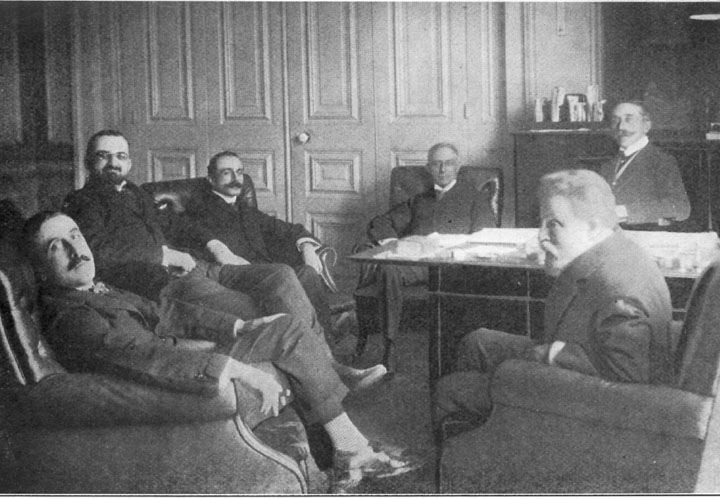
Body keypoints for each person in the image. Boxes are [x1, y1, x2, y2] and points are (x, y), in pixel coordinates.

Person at [23, 211, 420, 491]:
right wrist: (239, 369)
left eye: (75, 235)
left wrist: (237, 327)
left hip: (190, 351)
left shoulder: (96, 288)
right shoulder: (71, 316)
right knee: (288, 337)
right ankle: (350, 448)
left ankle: (343, 448)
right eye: (57, 246)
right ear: (40, 268)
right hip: (177, 375)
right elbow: (144, 357)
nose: (76, 250)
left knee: (284, 325)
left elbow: (165, 313)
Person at [62, 129, 385, 390]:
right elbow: (97, 250)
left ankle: (329, 363)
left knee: (281, 274)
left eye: (120, 156)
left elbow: (174, 223)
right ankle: (331, 372)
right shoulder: (82, 202)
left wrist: (214, 243)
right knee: (258, 309)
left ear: (129, 162)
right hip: (164, 282)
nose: (113, 163)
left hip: (201, 265)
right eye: (104, 156)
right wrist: (162, 254)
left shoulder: (135, 193)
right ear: (89, 162)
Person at [435, 169, 675, 424]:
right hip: (577, 368)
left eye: (553, 224)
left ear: (593, 227)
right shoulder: (614, 251)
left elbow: (626, 383)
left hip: (589, 406)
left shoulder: (619, 288)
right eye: (542, 223)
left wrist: (550, 356)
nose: (541, 237)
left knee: (450, 388)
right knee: (477, 342)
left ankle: (496, 432)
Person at [357, 142, 497, 368]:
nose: (442, 169)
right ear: (428, 167)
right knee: (388, 268)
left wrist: (455, 250)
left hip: (454, 266)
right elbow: (381, 223)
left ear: (457, 166)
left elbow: (486, 237)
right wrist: (394, 244)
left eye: (448, 163)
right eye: (436, 164)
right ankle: (389, 346)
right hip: (418, 264)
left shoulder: (475, 198)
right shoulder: (420, 200)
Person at [174, 150, 335, 339]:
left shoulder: (247, 211)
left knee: (307, 272)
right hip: (233, 275)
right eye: (226, 173)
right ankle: (314, 344)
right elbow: (184, 226)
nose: (236, 179)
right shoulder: (200, 207)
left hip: (264, 272)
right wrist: (214, 245)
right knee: (282, 272)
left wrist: (307, 247)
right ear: (211, 179)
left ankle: (326, 340)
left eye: (239, 172)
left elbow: (290, 229)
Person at [599, 101, 690, 227]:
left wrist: (625, 211)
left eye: (629, 119)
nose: (621, 127)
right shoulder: (607, 162)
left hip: (644, 234)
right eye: (616, 120)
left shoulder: (661, 160)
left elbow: (680, 207)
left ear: (646, 125)